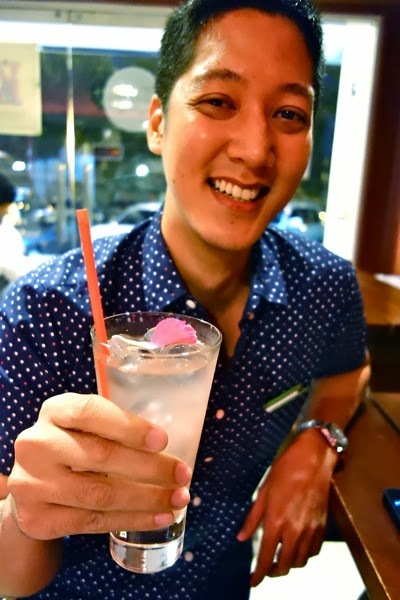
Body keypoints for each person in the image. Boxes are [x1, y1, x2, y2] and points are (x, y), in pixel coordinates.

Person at [0, 0, 370, 598]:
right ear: (157, 124)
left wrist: (317, 440)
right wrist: (25, 515)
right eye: (218, 101)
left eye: (288, 113)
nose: (255, 149)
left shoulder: (323, 287)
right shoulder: (45, 311)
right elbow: (10, 578)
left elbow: (350, 372)